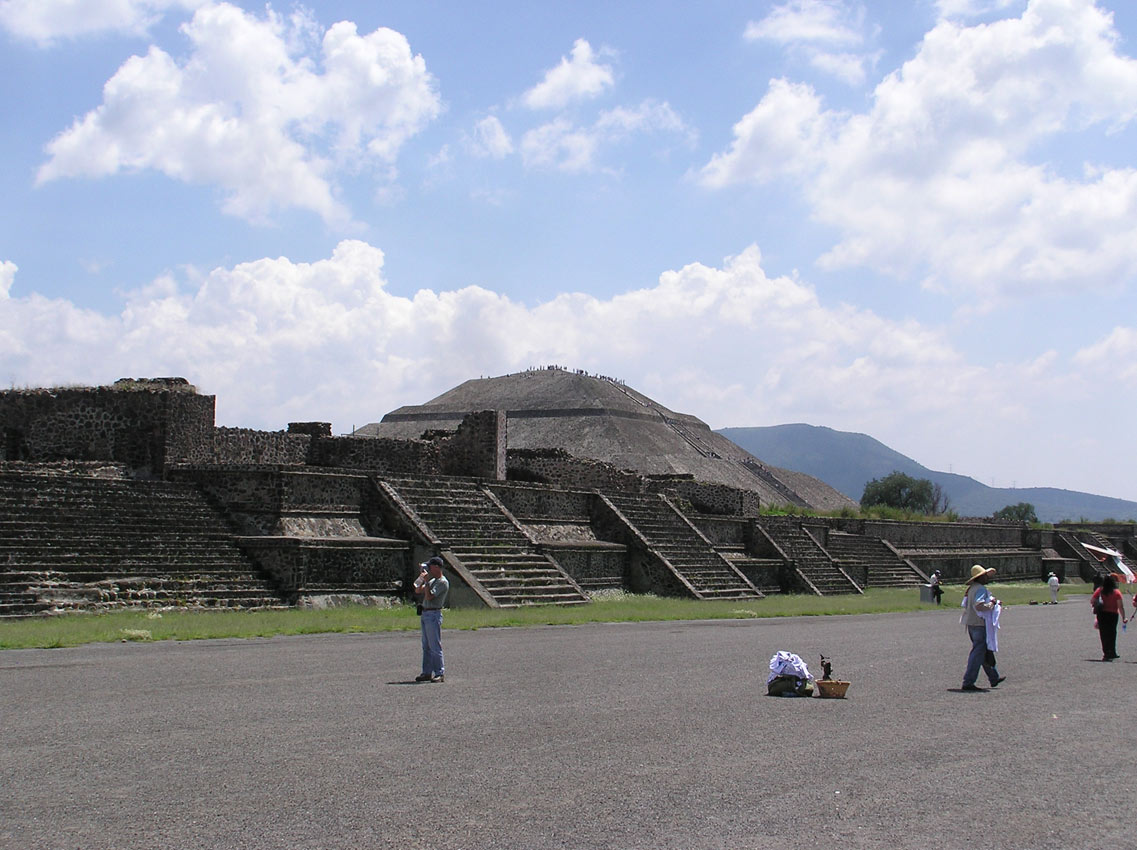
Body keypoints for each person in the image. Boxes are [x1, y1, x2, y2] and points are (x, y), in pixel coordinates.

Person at [961, 564, 1005, 692]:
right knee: (978, 652)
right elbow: (979, 605)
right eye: (985, 576)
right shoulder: (980, 589)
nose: (987, 578)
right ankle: (968, 681)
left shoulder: (971, 589)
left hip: (971, 623)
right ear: (980, 577)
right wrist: (992, 603)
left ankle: (993, 677)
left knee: (983, 652)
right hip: (979, 624)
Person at [414, 556, 449, 682]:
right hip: (425, 613)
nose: (428, 568)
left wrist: (427, 582)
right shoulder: (433, 580)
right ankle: (427, 672)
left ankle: (439, 672)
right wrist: (421, 580)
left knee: (435, 646)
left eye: (430, 566)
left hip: (433, 614)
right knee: (426, 646)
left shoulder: (442, 582)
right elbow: (418, 590)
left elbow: (429, 597)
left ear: (436, 567)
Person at [1090, 574, 1128, 662]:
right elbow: (1120, 606)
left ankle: (1106, 652)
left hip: (1102, 614)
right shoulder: (1116, 592)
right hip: (1113, 614)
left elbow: (1092, 600)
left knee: (1103, 634)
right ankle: (1112, 651)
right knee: (1112, 633)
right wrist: (1124, 617)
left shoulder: (1100, 590)